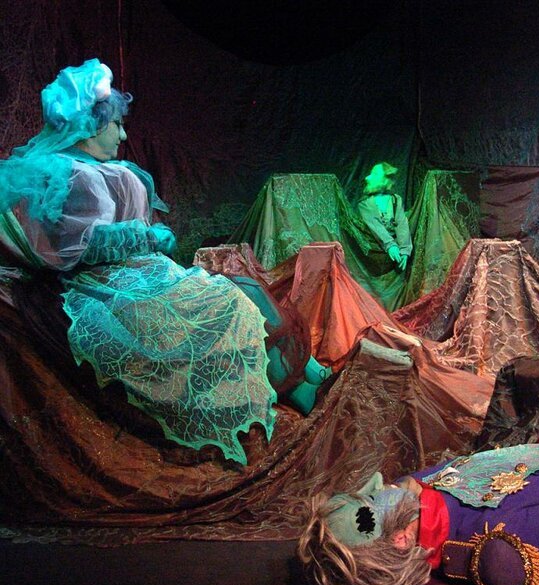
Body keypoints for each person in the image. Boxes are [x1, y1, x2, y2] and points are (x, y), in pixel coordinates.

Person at [0, 59, 327, 465]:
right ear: (91, 126)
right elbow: (77, 248)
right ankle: (295, 384)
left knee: (240, 289)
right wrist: (147, 237)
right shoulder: (69, 175)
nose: (122, 134)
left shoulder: (111, 171)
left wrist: (148, 240)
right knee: (224, 302)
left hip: (143, 273)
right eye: (115, 125)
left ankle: (304, 371)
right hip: (106, 287)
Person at [297, 419, 539, 585]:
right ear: (400, 540)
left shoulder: (420, 493)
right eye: (372, 501)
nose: (377, 481)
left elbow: (520, 467)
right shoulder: (492, 546)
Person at [357, 162, 412, 272]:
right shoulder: (365, 203)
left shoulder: (395, 199)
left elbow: (401, 224)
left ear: (385, 180)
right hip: (375, 247)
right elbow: (375, 226)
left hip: (395, 245)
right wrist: (390, 245)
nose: (368, 178)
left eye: (375, 174)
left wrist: (405, 250)